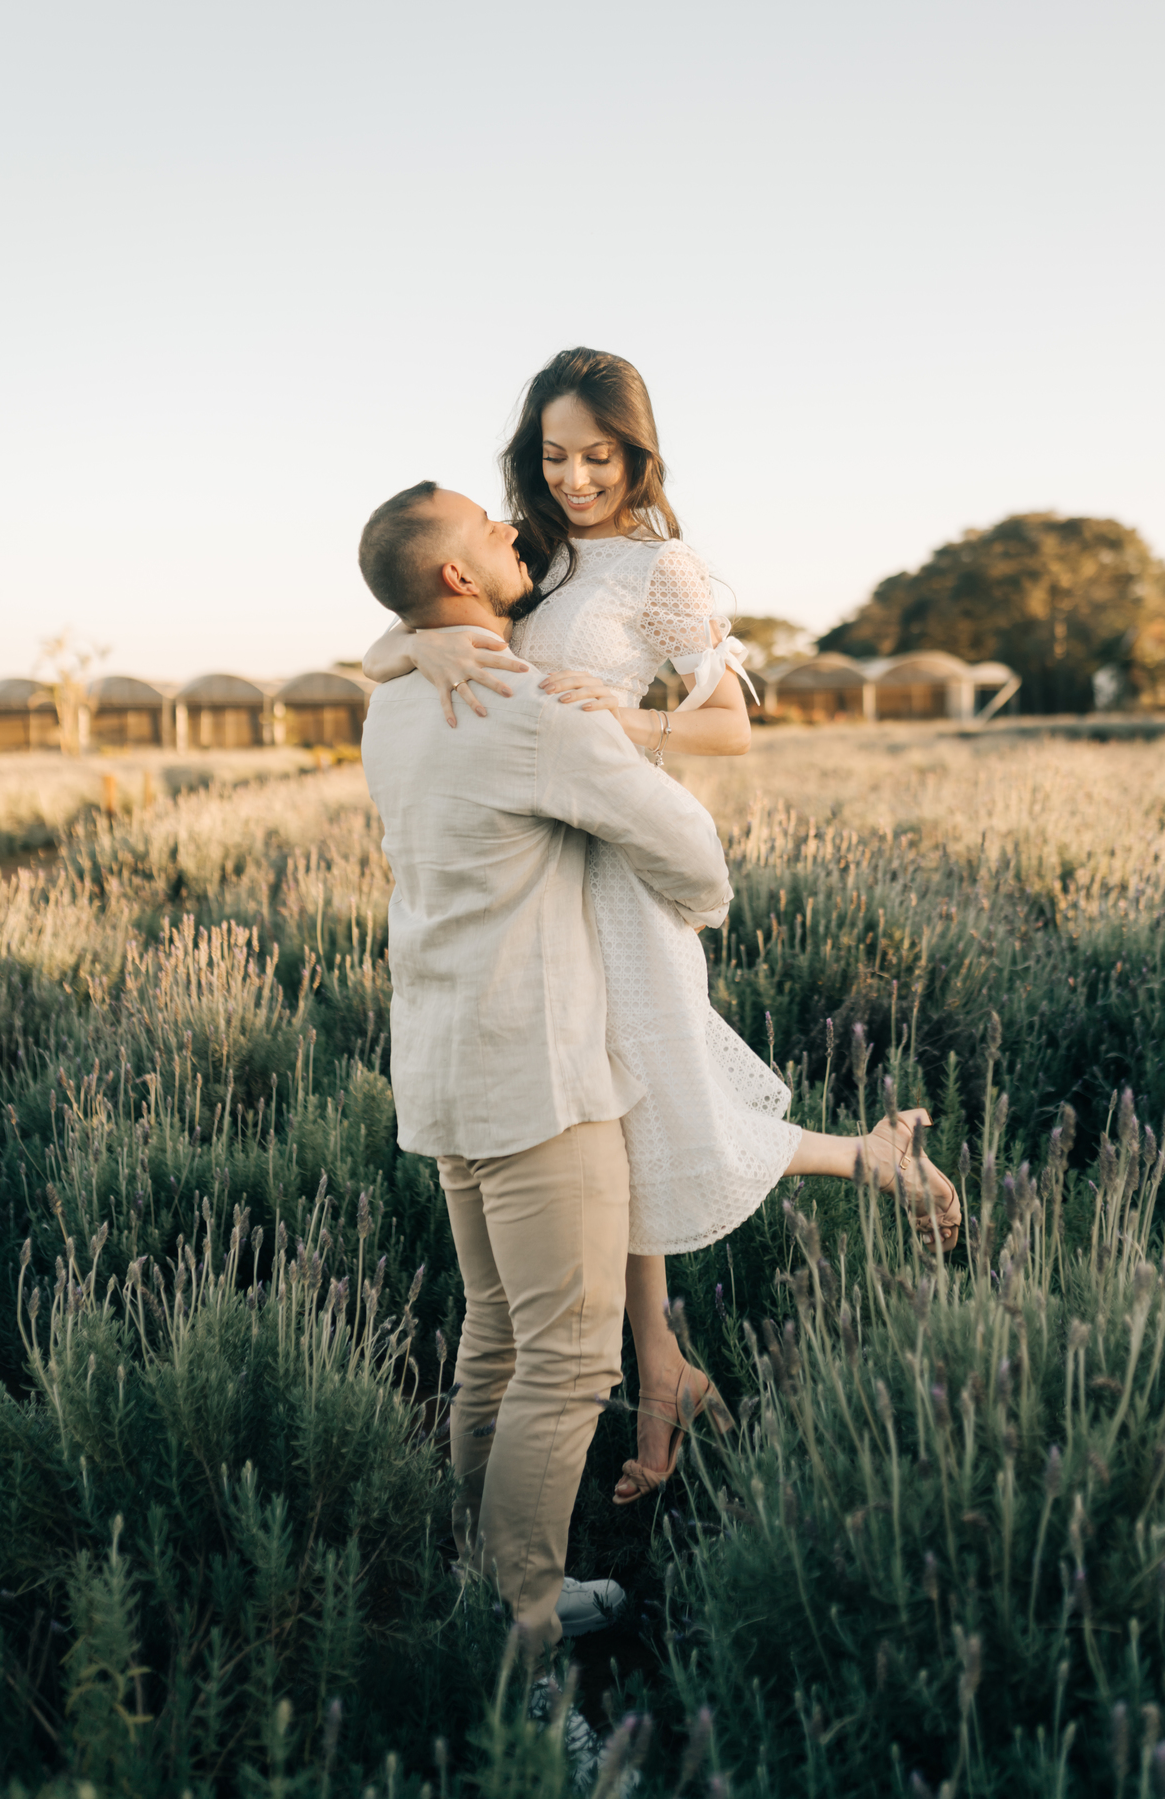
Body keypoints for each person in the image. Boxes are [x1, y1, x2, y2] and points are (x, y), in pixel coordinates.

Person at [363, 371, 961, 1504]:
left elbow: (729, 724)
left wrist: (628, 717)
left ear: (637, 456)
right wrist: (410, 650)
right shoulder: (519, 556)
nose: (574, 479)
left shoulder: (660, 568)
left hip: (618, 859)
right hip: (538, 863)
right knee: (614, 1124)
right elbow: (415, 612)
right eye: (552, 456)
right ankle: (668, 1361)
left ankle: (681, 1346)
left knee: (642, 1103)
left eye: (598, 456)